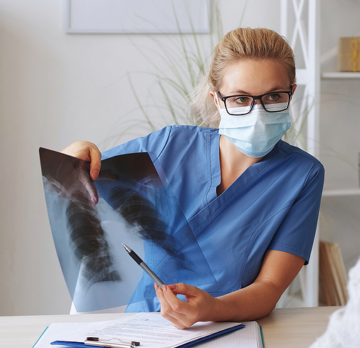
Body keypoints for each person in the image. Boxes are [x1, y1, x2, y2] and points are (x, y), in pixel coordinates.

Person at [62, 27, 324, 329]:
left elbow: (269, 288)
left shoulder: (303, 175)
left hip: (227, 327)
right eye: (240, 99)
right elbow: (76, 176)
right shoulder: (169, 146)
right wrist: (73, 156)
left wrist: (211, 309)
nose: (259, 113)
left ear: (291, 92)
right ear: (216, 99)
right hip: (143, 326)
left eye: (274, 96)